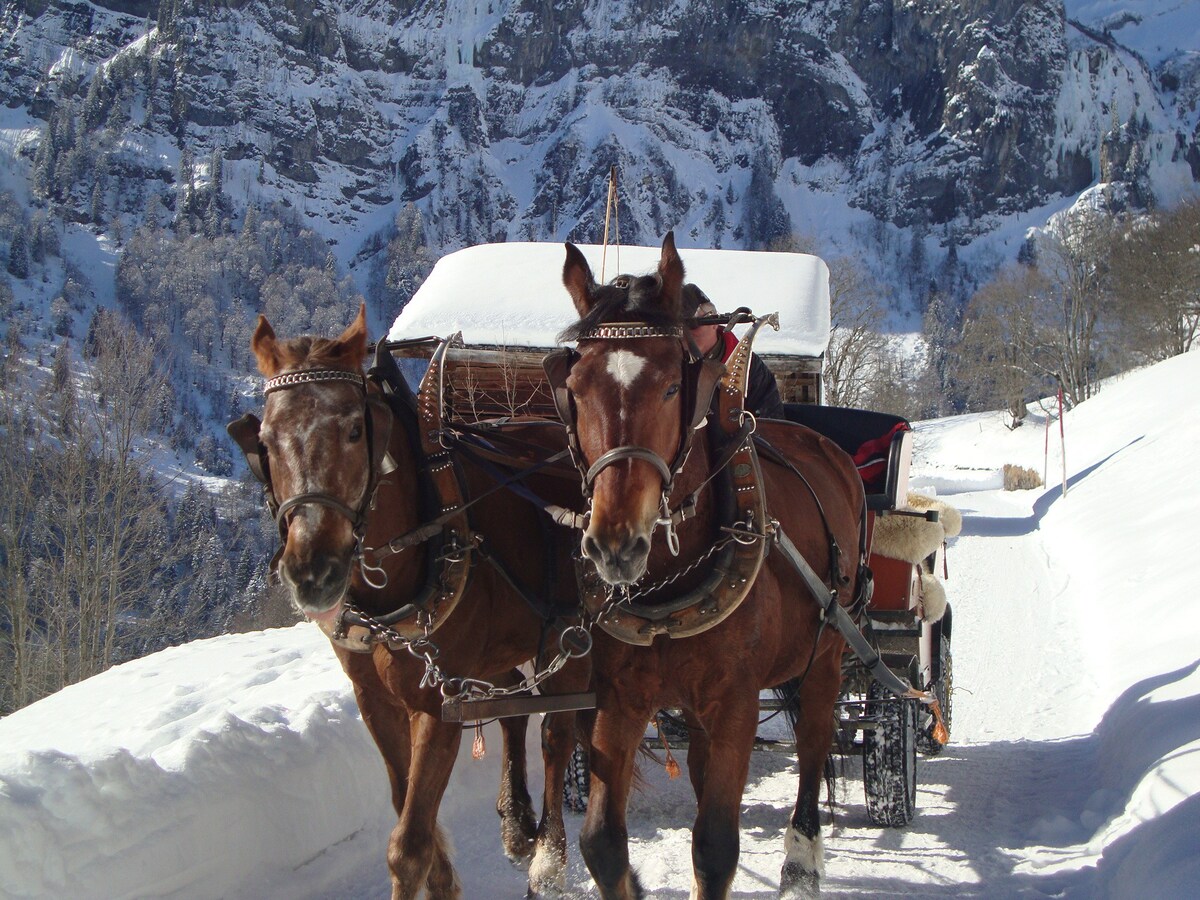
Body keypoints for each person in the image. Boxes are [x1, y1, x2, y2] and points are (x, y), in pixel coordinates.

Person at [681, 283, 785, 420]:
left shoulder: (749, 368)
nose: (684, 334)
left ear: (713, 323)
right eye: (677, 328)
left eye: (691, 325)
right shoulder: (667, 367)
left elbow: (771, 424)